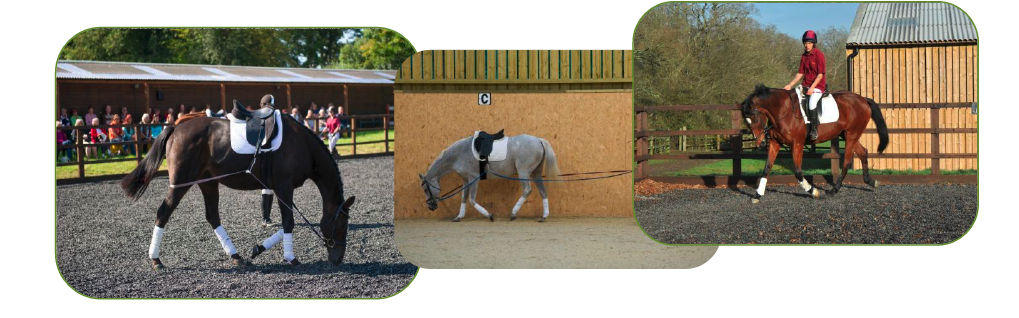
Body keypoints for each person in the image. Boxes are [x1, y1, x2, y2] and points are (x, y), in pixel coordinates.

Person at [783, 29, 827, 141]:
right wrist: (790, 85)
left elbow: (820, 75)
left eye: (809, 43)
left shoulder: (819, 55)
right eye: (805, 43)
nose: (807, 45)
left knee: (812, 104)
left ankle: (814, 130)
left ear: (813, 43)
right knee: (792, 98)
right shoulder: (804, 56)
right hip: (805, 85)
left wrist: (812, 88)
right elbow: (800, 73)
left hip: (817, 87)